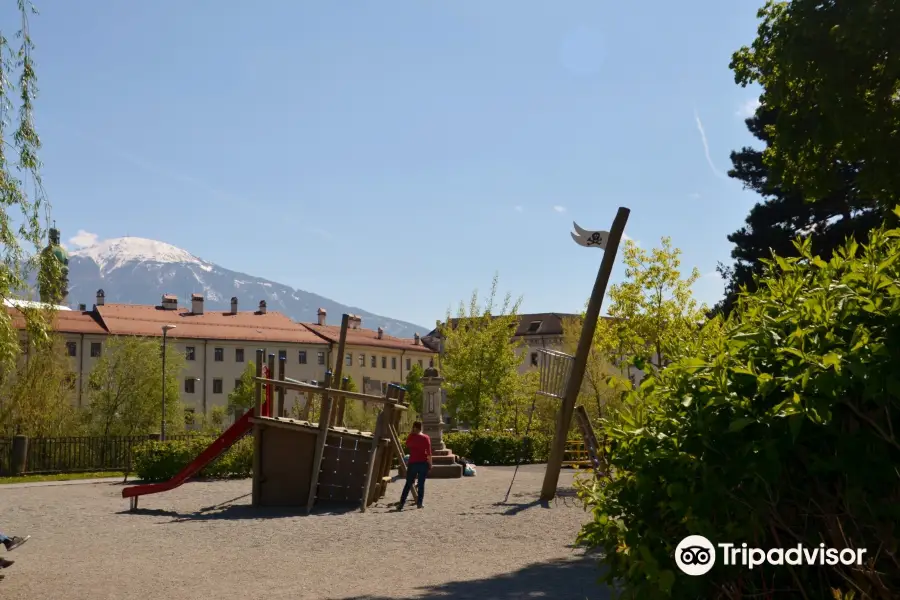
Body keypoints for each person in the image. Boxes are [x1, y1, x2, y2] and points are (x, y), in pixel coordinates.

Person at [396, 421, 431, 511]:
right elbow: (429, 453)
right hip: (423, 463)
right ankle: (419, 503)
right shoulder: (426, 438)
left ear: (414, 428)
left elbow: (407, 444)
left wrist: (411, 434)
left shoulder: (411, 437)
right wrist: (430, 464)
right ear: (421, 427)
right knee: (421, 484)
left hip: (413, 463)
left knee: (408, 484)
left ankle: (401, 504)